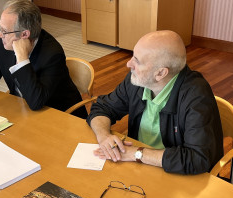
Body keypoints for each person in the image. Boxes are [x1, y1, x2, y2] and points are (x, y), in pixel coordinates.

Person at [86, 30, 223, 175]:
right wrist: (103, 136)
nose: (128, 64)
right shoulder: (136, 80)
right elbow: (103, 107)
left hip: (177, 174)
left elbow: (197, 159)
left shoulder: (197, 97)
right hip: (139, 167)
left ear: (161, 73)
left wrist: (137, 154)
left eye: (137, 61)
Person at [0, 0, 86, 118]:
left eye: (4, 31)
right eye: (0, 28)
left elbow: (37, 102)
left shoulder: (52, 54)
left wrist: (22, 59)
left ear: (24, 34)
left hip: (60, 117)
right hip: (25, 111)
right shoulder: (4, 44)